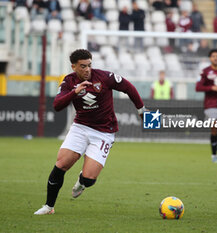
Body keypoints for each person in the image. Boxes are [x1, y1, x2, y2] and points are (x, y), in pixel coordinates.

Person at [34, 49, 146, 215]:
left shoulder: (104, 77)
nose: (87, 69)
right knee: (61, 164)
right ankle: (49, 207)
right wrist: (75, 91)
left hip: (104, 132)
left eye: (89, 65)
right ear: (74, 67)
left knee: (89, 179)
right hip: (80, 127)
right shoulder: (68, 81)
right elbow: (57, 105)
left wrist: (141, 110)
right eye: (83, 66)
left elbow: (128, 87)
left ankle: (82, 180)